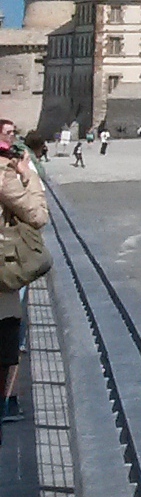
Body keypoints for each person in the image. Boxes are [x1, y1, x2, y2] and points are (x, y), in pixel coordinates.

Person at [0, 119, 47, 439]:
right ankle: (7, 403)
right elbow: (37, 215)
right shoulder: (5, 172)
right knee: (7, 344)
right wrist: (27, 174)